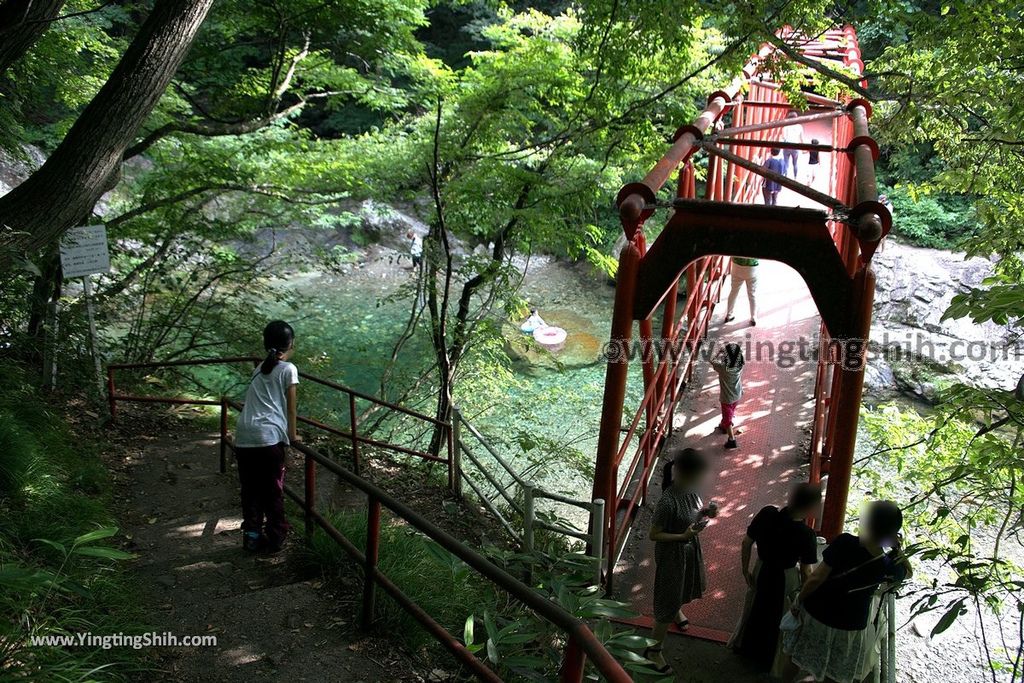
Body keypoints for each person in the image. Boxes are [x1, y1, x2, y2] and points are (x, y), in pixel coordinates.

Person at [783, 501, 913, 683]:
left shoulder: (845, 542)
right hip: (851, 625)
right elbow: (908, 573)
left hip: (819, 611)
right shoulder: (888, 565)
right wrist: (894, 546)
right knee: (835, 671)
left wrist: (798, 601)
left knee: (795, 656)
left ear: (867, 522)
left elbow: (815, 578)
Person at [729, 483, 823, 675]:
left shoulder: (767, 514)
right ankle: (770, 659)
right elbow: (806, 571)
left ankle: (745, 646)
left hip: (761, 568)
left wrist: (745, 569)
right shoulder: (806, 535)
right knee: (778, 616)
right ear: (811, 508)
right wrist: (806, 596)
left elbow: (746, 542)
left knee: (755, 606)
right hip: (785, 576)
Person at [645, 448, 718, 674]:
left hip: (687, 550)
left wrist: (708, 512)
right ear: (687, 473)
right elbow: (654, 534)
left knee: (681, 587)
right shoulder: (667, 502)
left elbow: (694, 513)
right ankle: (653, 650)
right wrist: (682, 537)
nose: (703, 478)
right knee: (667, 598)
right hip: (672, 555)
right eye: (700, 473)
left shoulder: (692, 490)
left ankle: (676, 610)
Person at [234, 321, 300, 553]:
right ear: (291, 344)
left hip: (243, 436)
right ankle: (275, 538)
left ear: (265, 344)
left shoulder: (259, 368)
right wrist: (292, 436)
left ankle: (251, 537)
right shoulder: (288, 369)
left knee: (250, 489)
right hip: (267, 438)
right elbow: (291, 409)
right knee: (273, 490)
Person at [710, 342, 744, 450]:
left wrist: (719, 352)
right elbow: (738, 356)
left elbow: (712, 360)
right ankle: (723, 425)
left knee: (728, 419)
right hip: (737, 394)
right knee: (730, 413)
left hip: (727, 398)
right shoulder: (740, 365)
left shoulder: (723, 368)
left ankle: (731, 440)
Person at [725, 256, 758, 326]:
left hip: (736, 266)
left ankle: (729, 315)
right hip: (752, 267)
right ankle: (753, 317)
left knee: (734, 292)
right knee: (752, 294)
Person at [781, 111, 804, 178]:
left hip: (787, 146)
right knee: (795, 163)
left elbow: (784, 137)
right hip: (795, 147)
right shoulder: (799, 127)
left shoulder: (785, 127)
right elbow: (802, 139)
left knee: (786, 163)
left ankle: (785, 176)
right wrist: (803, 148)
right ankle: (795, 177)